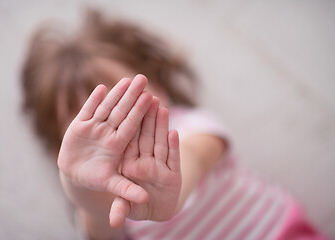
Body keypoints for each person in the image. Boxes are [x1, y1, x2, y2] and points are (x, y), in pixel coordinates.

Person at [21, 8, 328, 240]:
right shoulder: (100, 197)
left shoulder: (192, 126)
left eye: (125, 99)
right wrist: (78, 185)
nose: (116, 123)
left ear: (156, 85)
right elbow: (97, 221)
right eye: (90, 118)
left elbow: (193, 156)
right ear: (62, 142)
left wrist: (167, 190)